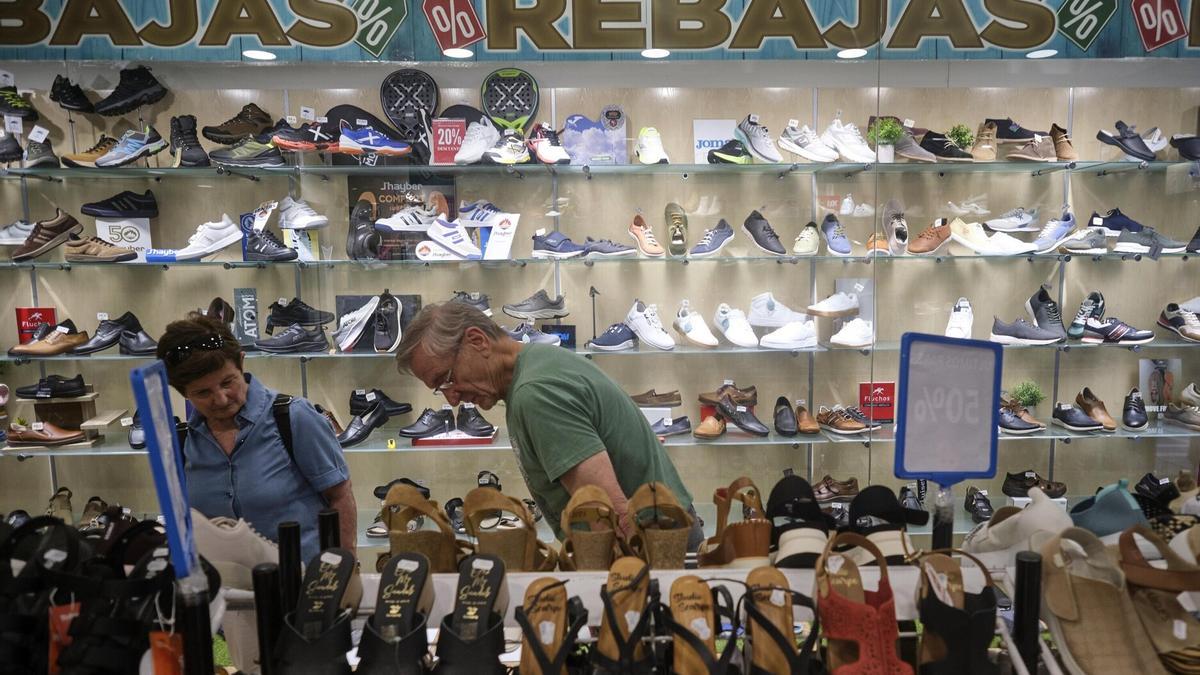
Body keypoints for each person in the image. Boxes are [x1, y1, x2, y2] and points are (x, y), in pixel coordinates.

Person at [395, 301, 701, 549]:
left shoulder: (536, 394)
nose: (451, 399)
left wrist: (616, 602)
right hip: (662, 540)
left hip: (655, 551)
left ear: (477, 340)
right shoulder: (537, 362)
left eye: (445, 379)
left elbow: (608, 513)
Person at [157, 314, 356, 561]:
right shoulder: (182, 441)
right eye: (202, 392)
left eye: (228, 382)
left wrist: (345, 567)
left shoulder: (293, 418)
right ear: (184, 393)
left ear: (241, 362)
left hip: (304, 580)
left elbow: (339, 495)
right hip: (225, 586)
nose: (220, 399)